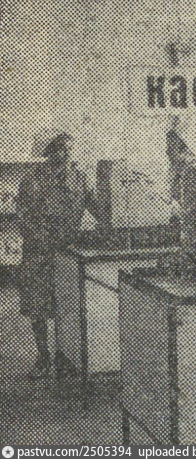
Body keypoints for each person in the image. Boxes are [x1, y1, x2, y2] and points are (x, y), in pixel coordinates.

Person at [16, 132, 96, 380]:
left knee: (69, 307)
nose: (68, 152)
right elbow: (23, 217)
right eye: (62, 148)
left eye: (70, 147)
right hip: (39, 253)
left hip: (68, 253)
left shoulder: (80, 178)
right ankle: (43, 357)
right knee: (38, 307)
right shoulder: (32, 179)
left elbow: (98, 209)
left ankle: (65, 357)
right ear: (50, 152)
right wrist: (42, 239)